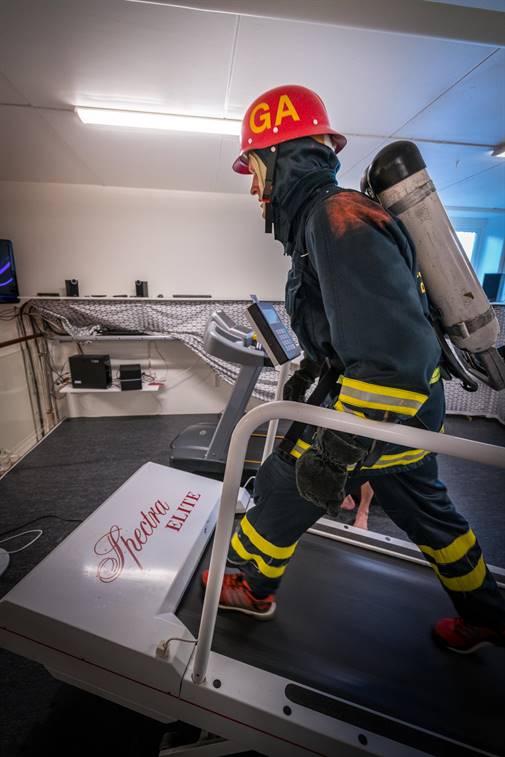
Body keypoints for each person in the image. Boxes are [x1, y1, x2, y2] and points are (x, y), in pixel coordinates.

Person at [203, 85, 505, 653]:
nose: (252, 187)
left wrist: (336, 453)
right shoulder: (328, 219)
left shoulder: (336, 220)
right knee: (430, 515)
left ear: (279, 158)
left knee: (285, 483)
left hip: (379, 412)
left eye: (254, 168)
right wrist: (306, 377)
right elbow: (347, 332)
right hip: (411, 416)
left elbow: (392, 357)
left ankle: (251, 586)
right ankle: (488, 613)